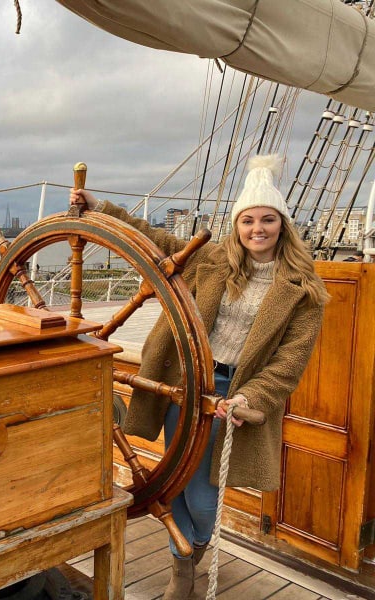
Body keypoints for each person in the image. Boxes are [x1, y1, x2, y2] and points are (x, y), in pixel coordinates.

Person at [70, 154, 329, 599]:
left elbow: (289, 362)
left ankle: (189, 554)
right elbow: (154, 240)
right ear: (237, 225)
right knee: (176, 482)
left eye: (268, 220)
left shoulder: (305, 292)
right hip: (184, 386)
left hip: (234, 398)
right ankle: (182, 570)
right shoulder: (210, 260)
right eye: (248, 221)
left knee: (204, 499)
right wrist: (100, 209)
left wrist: (251, 398)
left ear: (283, 225)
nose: (258, 229)